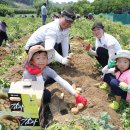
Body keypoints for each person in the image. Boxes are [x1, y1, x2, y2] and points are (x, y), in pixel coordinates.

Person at [22, 45, 87, 128]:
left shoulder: (47, 69)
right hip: (27, 91)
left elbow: (61, 81)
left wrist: (76, 95)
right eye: (38, 58)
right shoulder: (27, 73)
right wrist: (38, 75)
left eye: (44, 58)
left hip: (39, 86)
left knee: (48, 92)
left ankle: (42, 108)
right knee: (45, 96)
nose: (41, 61)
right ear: (31, 60)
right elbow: (38, 90)